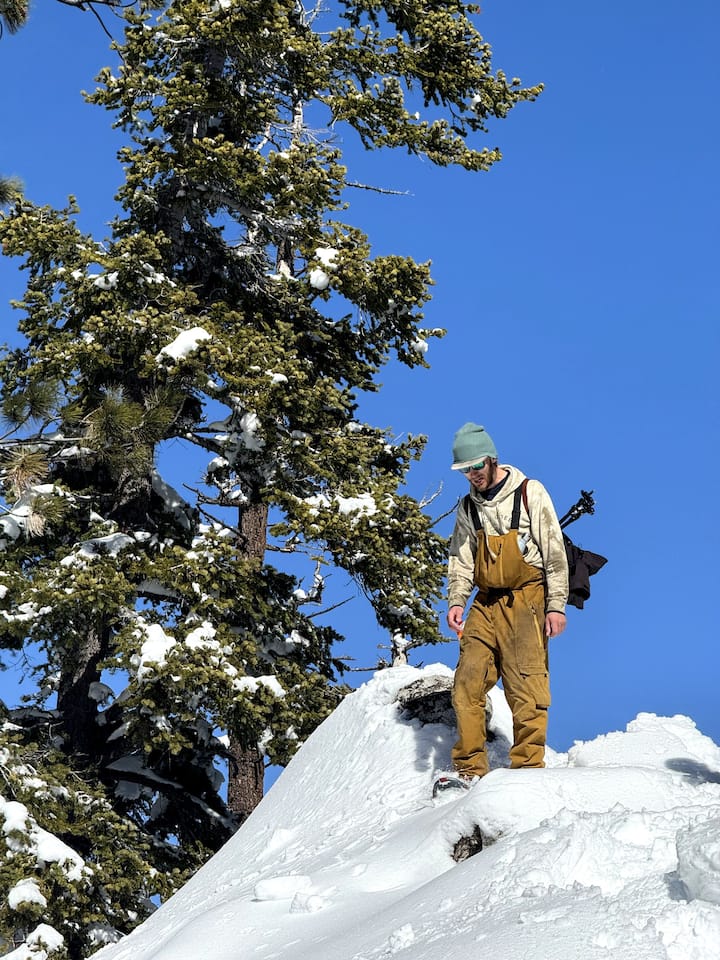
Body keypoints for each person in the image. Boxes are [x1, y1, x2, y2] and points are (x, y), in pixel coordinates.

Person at [447, 422, 569, 780]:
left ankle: (527, 771)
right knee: (467, 683)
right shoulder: (468, 508)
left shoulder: (530, 492)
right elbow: (462, 558)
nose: (472, 476)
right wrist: (457, 601)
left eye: (475, 467)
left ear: (491, 459)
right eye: (464, 470)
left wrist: (556, 605)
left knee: (526, 689)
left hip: (527, 600)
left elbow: (554, 552)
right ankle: (469, 770)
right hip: (484, 604)